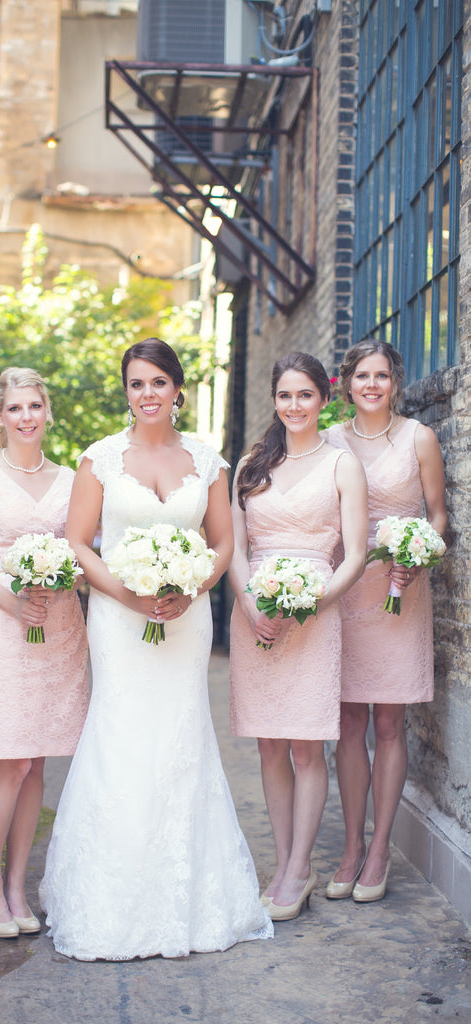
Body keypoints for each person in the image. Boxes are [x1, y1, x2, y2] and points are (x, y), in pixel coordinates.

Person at [39, 337, 273, 960]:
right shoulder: (99, 460)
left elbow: (222, 543)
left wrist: (193, 586)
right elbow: (80, 543)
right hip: (119, 619)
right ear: (127, 391)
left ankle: (190, 902)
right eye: (137, 383)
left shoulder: (209, 462)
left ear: (177, 389)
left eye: (159, 383)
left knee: (180, 739)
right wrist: (131, 594)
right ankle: (110, 903)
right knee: (121, 738)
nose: (148, 394)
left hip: (187, 618)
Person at [0, 367, 89, 939]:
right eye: (15, 409)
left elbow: (82, 551)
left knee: (38, 763)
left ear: (47, 412)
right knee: (7, 759)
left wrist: (64, 581)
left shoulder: (72, 477)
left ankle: (16, 885)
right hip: (1, 624)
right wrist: (10, 600)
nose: (26, 417)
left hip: (57, 626)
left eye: (35, 406)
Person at [229, 351, 368, 921]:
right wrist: (248, 602)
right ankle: (283, 861)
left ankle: (300, 868)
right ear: (275, 399)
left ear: (323, 398)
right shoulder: (250, 465)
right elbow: (235, 550)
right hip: (255, 616)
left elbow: (355, 555)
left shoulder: (342, 465)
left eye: (305, 395)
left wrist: (311, 604)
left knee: (307, 746)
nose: (294, 406)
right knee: (268, 744)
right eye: (285, 395)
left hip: (315, 617)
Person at [324, 339, 447, 902]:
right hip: (346, 590)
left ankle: (380, 850)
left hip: (401, 590)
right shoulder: (329, 441)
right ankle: (350, 847)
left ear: (394, 381)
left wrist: (418, 557)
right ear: (346, 384)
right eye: (361, 376)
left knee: (391, 723)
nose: (371, 385)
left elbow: (438, 516)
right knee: (349, 722)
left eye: (381, 376)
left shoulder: (419, 438)